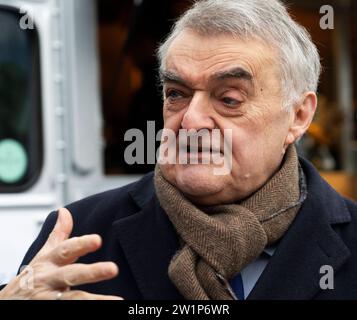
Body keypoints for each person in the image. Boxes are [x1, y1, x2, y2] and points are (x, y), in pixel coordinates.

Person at [1, 0, 357, 300]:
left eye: (229, 99)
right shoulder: (79, 235)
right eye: (177, 94)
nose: (190, 121)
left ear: (298, 116)